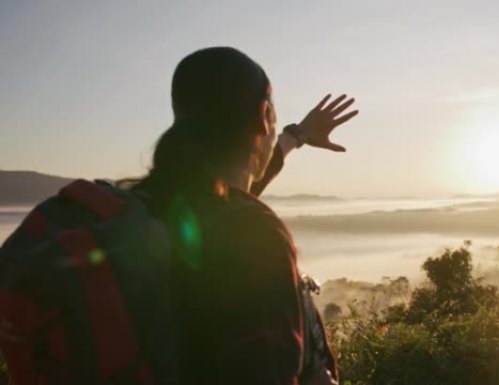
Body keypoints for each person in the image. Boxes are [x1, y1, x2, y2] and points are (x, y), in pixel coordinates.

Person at [122, 47, 357, 384]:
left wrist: (296, 136)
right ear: (264, 116)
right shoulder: (251, 234)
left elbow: (233, 191)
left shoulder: (150, 205)